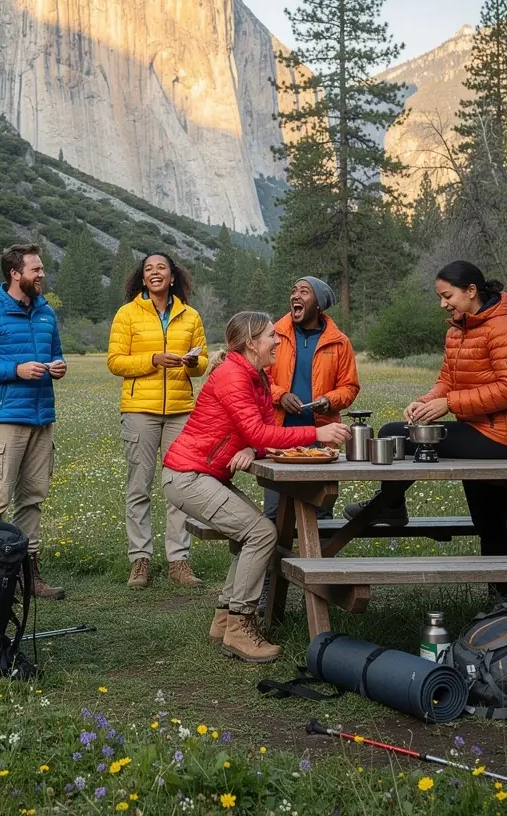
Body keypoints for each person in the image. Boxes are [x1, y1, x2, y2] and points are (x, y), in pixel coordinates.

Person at [161, 312, 351, 662]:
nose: (277, 340)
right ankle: (240, 626)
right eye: (270, 336)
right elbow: (264, 432)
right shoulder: (234, 376)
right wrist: (316, 433)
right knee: (262, 533)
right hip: (187, 476)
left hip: (203, 475)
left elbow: (261, 430)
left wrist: (250, 446)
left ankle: (223, 620)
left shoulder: (256, 376)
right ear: (251, 343)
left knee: (254, 533)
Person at [344, 261, 507, 599]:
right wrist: (426, 402)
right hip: (479, 430)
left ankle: (390, 505)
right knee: (489, 523)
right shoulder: (458, 330)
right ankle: (503, 603)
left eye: (447, 296)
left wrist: (450, 405)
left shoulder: (506, 328)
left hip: (505, 438)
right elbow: (447, 381)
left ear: (471, 291)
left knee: (394, 433)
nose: (443, 304)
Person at [0, 243, 67, 600]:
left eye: (41, 269)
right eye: (36, 270)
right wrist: (15, 370)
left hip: (41, 417)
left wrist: (59, 367)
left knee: (33, 498)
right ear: (15, 274)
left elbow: (55, 354)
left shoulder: (46, 313)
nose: (42, 275)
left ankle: (27, 576)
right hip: (5, 418)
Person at [107, 252, 208, 589]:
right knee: (140, 485)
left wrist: (192, 362)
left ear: (173, 276)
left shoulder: (190, 315)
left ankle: (178, 561)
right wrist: (152, 359)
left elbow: (202, 361)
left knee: (180, 486)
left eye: (161, 268)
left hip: (181, 410)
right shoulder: (127, 314)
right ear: (142, 277)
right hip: (139, 411)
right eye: (148, 269)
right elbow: (115, 361)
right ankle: (140, 560)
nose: (155, 273)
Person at [263, 276, 360, 523]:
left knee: (322, 511)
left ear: (318, 305)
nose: (295, 296)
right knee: (275, 513)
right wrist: (280, 395)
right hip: (280, 437)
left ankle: (322, 561)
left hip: (323, 438)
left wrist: (329, 400)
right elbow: (258, 379)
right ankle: (275, 562)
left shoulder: (340, 342)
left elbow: (349, 387)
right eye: (293, 290)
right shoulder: (273, 336)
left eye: (304, 292)